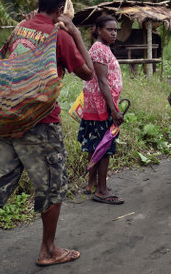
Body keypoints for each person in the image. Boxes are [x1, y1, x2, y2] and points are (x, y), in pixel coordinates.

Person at [0, 0, 95, 274]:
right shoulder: (60, 35)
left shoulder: (20, 29)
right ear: (60, 11)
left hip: (9, 122)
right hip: (41, 126)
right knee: (52, 188)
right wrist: (76, 33)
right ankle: (49, 250)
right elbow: (88, 74)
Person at [78, 15, 125, 204]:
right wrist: (113, 109)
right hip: (101, 108)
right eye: (109, 29)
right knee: (104, 147)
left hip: (99, 107)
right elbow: (103, 82)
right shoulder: (99, 49)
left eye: (115, 30)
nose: (114, 33)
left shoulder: (102, 49)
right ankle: (102, 190)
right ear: (99, 30)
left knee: (95, 145)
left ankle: (92, 184)